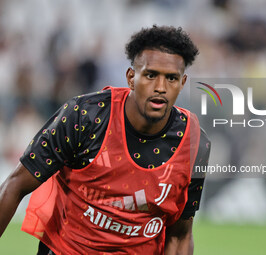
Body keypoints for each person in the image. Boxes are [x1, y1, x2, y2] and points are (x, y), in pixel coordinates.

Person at [0, 25, 210, 255]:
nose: (160, 87)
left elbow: (180, 234)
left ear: (182, 83)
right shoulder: (85, 116)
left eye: (171, 78)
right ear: (131, 77)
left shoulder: (195, 143)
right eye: (150, 75)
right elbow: (15, 185)